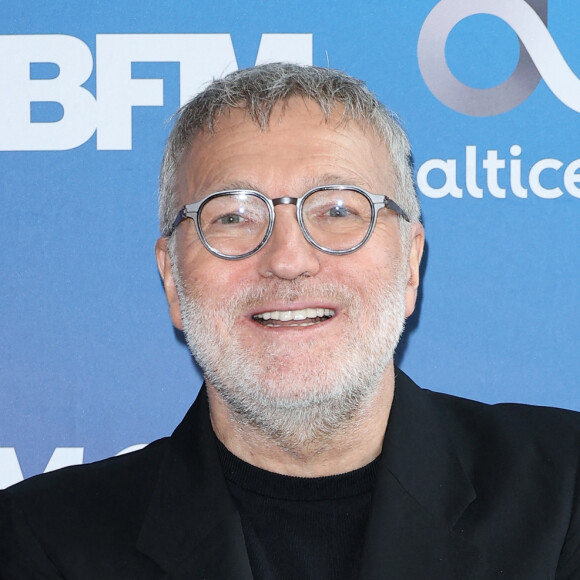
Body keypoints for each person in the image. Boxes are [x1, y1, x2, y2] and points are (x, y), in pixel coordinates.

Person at [0, 63, 579, 580]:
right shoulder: (39, 541)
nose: (287, 260)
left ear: (409, 264)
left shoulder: (566, 491)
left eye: (336, 210)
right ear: (173, 279)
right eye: (232, 217)